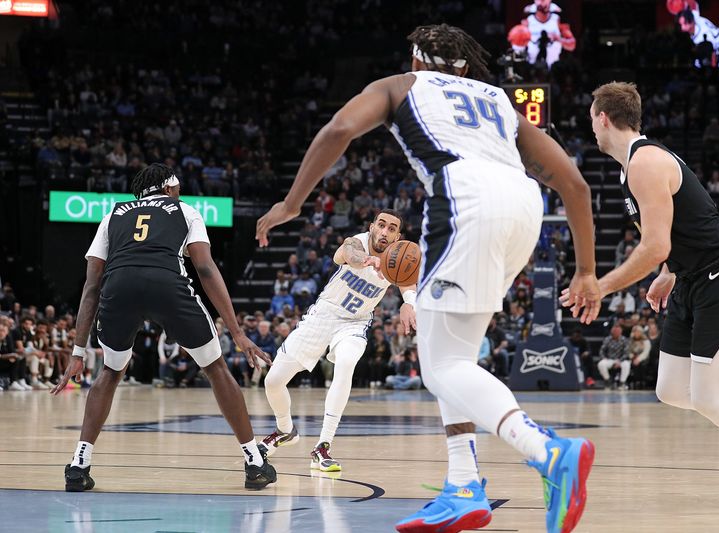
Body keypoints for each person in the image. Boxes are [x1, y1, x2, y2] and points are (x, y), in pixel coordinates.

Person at [255, 24, 599, 533]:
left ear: (415, 59)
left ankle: (548, 451)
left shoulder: (400, 85)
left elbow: (337, 130)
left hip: (466, 201)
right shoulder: (498, 99)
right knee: (447, 354)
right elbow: (572, 181)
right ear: (465, 65)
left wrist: (292, 202)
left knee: (441, 367)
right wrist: (587, 269)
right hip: (525, 206)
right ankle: (463, 486)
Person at [578, 82, 719, 513]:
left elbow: (656, 244)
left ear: (603, 117)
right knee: (672, 389)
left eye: (591, 119)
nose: (592, 129)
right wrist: (668, 272)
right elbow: (676, 235)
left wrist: (600, 285)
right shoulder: (631, 168)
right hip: (691, 278)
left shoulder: (646, 162)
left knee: (708, 395)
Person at [52, 163, 276, 492]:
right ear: (169, 188)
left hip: (119, 288)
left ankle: (79, 464)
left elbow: (91, 287)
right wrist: (238, 333)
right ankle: (254, 462)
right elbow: (205, 268)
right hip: (166, 284)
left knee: (110, 372)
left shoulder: (113, 214)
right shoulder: (184, 209)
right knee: (214, 367)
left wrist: (77, 351)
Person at [260, 209, 417, 472]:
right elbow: (348, 254)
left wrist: (409, 303)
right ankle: (285, 430)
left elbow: (407, 282)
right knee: (272, 382)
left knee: (346, 362)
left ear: (397, 236)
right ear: (372, 227)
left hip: (355, 322)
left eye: (392, 228)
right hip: (323, 315)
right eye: (381, 225)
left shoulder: (397, 255)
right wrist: (368, 260)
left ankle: (323, 445)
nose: (385, 231)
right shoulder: (357, 242)